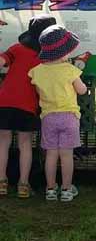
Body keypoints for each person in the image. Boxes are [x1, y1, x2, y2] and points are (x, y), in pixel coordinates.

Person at [28, 25, 87, 202]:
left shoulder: (37, 71)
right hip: (69, 117)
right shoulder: (70, 70)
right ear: (63, 53)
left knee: (51, 155)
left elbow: (39, 91)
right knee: (66, 155)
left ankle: (51, 189)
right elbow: (82, 90)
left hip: (48, 118)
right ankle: (67, 190)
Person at [0, 14, 56, 198]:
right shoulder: (45, 58)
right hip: (28, 105)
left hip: (5, 101)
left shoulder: (16, 48)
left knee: (3, 142)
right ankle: (23, 185)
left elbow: (1, 61)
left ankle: (2, 182)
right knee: (25, 144)